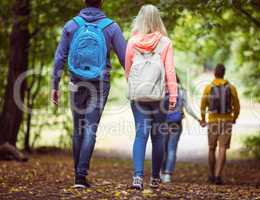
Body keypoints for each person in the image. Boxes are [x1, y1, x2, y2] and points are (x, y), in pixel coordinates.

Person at [51, 0, 126, 188]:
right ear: (101, 3)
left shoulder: (71, 25)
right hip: (100, 83)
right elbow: (125, 57)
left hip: (76, 81)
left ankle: (78, 176)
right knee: (90, 129)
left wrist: (55, 84)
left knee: (78, 129)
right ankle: (80, 176)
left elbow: (60, 56)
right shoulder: (111, 27)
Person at [125, 4, 177, 190]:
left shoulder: (132, 42)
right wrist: (173, 96)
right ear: (158, 19)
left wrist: (135, 88)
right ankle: (155, 177)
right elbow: (170, 71)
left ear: (140, 19)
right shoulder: (165, 42)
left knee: (141, 135)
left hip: (138, 97)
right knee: (158, 137)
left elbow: (128, 70)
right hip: (159, 97)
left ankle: (137, 178)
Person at [200, 64, 240, 185]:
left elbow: (203, 105)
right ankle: (218, 176)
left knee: (211, 148)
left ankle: (211, 175)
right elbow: (237, 105)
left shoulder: (208, 87)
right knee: (222, 148)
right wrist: (234, 117)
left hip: (212, 121)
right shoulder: (231, 87)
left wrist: (203, 119)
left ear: (214, 73)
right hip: (226, 120)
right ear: (224, 73)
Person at [160, 76, 200, 183]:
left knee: (162, 148)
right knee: (172, 149)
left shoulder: (162, 89)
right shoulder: (181, 91)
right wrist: (198, 119)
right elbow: (188, 108)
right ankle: (168, 175)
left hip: (163, 123)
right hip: (176, 123)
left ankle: (160, 172)